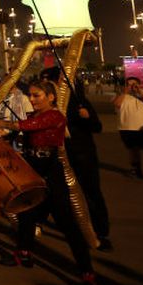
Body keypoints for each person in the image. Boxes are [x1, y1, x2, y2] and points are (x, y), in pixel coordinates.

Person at [0, 79, 98, 285]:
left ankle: (87, 273)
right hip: (32, 172)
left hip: (51, 176)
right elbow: (21, 132)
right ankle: (23, 253)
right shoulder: (34, 116)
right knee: (27, 215)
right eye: (31, 96)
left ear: (51, 97)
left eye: (37, 96)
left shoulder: (55, 116)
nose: (32, 99)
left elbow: (24, 127)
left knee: (68, 224)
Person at [43, 67, 112, 250]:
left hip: (82, 154)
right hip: (57, 155)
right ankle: (71, 226)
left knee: (90, 192)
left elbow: (97, 127)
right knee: (59, 194)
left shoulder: (79, 102)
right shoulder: (46, 106)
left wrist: (87, 118)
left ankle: (100, 231)